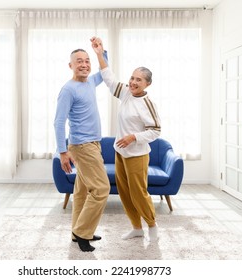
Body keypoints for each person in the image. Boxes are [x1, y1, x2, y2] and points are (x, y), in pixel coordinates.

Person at [92, 37, 161, 242]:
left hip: (137, 155)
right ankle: (136, 227)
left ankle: (152, 225)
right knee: (124, 193)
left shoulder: (147, 103)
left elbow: (156, 130)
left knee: (138, 193)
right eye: (132, 78)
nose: (133, 82)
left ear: (147, 83)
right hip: (120, 152)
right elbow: (109, 78)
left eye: (138, 80)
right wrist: (99, 54)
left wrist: (134, 137)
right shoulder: (126, 93)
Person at [53, 40, 110, 252]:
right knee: (102, 188)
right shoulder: (68, 89)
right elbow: (58, 122)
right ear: (71, 65)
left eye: (87, 61)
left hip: (93, 143)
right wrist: (62, 152)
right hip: (82, 146)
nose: (84, 65)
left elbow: (105, 70)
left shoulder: (89, 83)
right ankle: (82, 232)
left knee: (82, 191)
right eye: (79, 61)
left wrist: (100, 52)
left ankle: (77, 232)